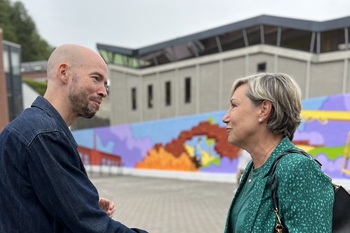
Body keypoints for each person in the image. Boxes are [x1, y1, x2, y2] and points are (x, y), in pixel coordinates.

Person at [0, 44, 147, 233]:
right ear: (64, 73)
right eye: (96, 78)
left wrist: (84, 203)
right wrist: (87, 213)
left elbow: (27, 206)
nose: (103, 91)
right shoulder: (44, 135)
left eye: (105, 84)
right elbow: (93, 227)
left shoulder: (27, 128)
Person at [222, 73, 334, 233]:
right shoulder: (253, 168)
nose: (226, 118)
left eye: (234, 105)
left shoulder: (297, 169)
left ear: (264, 110)